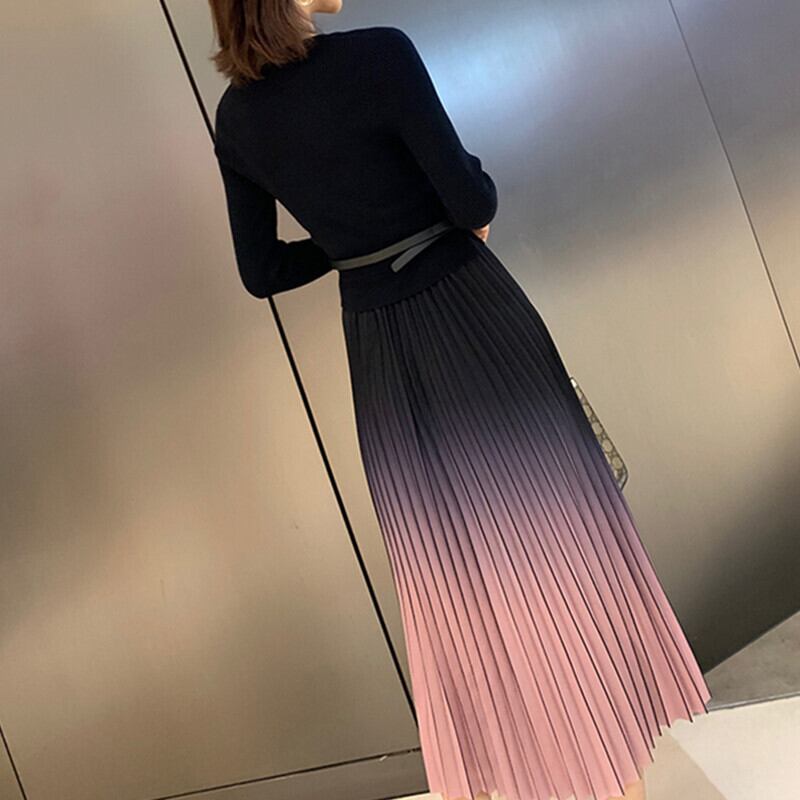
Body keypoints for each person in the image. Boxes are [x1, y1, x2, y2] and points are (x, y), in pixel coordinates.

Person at [209, 3, 712, 800]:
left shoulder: (237, 117)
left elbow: (261, 271)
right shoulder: (379, 56)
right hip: (469, 316)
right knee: (552, 539)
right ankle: (612, 763)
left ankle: (520, 768)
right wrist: (428, 214)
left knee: (453, 570)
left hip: (379, 348)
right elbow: (471, 202)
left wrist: (348, 245)